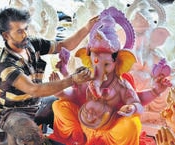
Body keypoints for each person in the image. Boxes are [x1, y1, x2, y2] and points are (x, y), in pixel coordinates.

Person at [48, 7, 172, 145]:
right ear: (88, 59)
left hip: (110, 132)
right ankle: (76, 135)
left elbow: (138, 103)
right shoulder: (87, 78)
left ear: (119, 62)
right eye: (96, 62)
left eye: (106, 64)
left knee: (132, 125)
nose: (100, 69)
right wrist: (60, 90)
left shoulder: (121, 85)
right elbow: (75, 95)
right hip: (84, 126)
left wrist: (132, 108)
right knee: (59, 106)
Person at [0, 7, 97, 144]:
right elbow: (34, 89)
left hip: (37, 104)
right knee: (33, 135)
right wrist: (72, 79)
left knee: (69, 105)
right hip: (13, 112)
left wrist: (87, 28)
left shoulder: (31, 44)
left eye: (26, 29)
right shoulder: (5, 64)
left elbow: (63, 45)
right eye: (19, 31)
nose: (25, 34)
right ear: (6, 35)